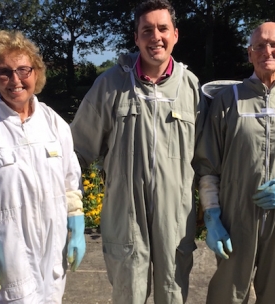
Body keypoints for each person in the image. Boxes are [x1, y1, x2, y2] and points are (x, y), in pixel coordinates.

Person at [70, 0, 207, 303]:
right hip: (125, 213)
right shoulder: (110, 84)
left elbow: (206, 159)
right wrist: (69, 208)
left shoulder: (191, 88)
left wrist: (211, 209)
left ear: (175, 34)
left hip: (175, 216)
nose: (155, 37)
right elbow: (77, 151)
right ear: (136, 37)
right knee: (128, 292)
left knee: (173, 291)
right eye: (146, 30)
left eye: (162, 29)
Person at [0, 30, 86, 304]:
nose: (15, 80)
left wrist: (77, 226)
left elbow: (71, 181)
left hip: (53, 246)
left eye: (24, 69)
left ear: (36, 73)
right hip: (8, 254)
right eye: (5, 72)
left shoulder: (54, 122)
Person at [196, 21, 275, 303]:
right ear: (250, 53)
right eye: (259, 45)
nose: (268, 51)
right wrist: (212, 216)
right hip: (233, 221)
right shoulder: (228, 100)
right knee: (226, 295)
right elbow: (208, 166)